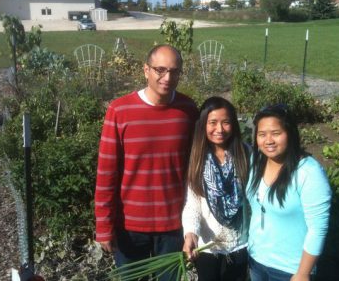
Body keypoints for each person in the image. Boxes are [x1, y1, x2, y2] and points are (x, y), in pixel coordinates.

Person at [94, 44, 198, 280]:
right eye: (160, 70)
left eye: (175, 71)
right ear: (146, 70)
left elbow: (194, 168)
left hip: (173, 226)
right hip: (130, 226)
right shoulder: (120, 110)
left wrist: (193, 223)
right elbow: (106, 173)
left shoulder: (188, 109)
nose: (168, 77)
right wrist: (104, 225)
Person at [247, 104, 332, 281]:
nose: (268, 140)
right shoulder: (255, 162)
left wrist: (303, 273)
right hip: (256, 259)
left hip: (290, 269)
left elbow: (318, 229)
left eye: (276, 133)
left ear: (290, 134)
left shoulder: (308, 172)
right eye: (262, 134)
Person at [182, 96, 250, 281]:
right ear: (203, 124)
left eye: (226, 122)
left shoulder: (246, 154)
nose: (219, 129)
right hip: (207, 246)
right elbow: (192, 204)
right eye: (213, 122)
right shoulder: (197, 159)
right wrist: (191, 233)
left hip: (239, 244)